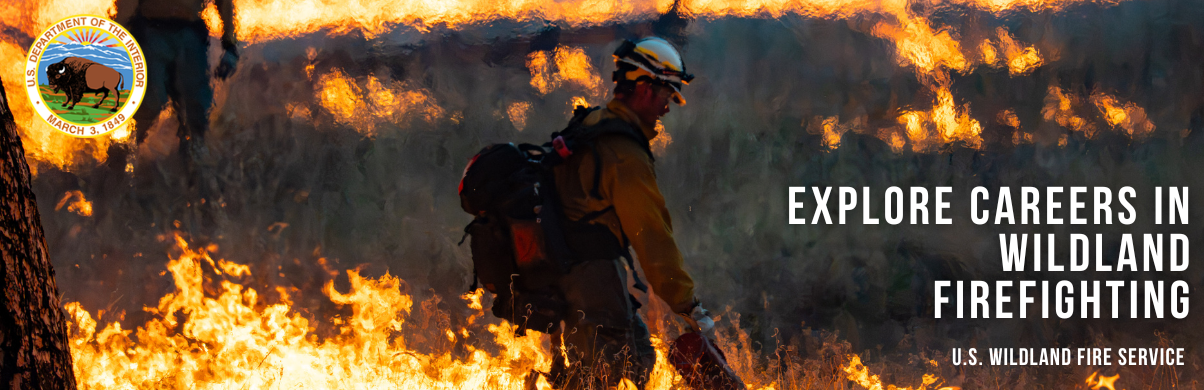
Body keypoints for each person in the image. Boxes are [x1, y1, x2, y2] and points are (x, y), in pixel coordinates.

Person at [548, 36, 714, 389]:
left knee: (637, 353)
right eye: (667, 94)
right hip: (591, 280)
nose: (668, 107)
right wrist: (688, 306)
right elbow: (651, 237)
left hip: (568, 273)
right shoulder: (624, 154)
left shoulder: (591, 124)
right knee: (607, 373)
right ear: (643, 88)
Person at [115, 0, 239, 161]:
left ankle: (193, 163)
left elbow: (223, 2)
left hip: (188, 35)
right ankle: (131, 157)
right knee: (148, 104)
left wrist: (229, 43)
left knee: (195, 107)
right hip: (151, 33)